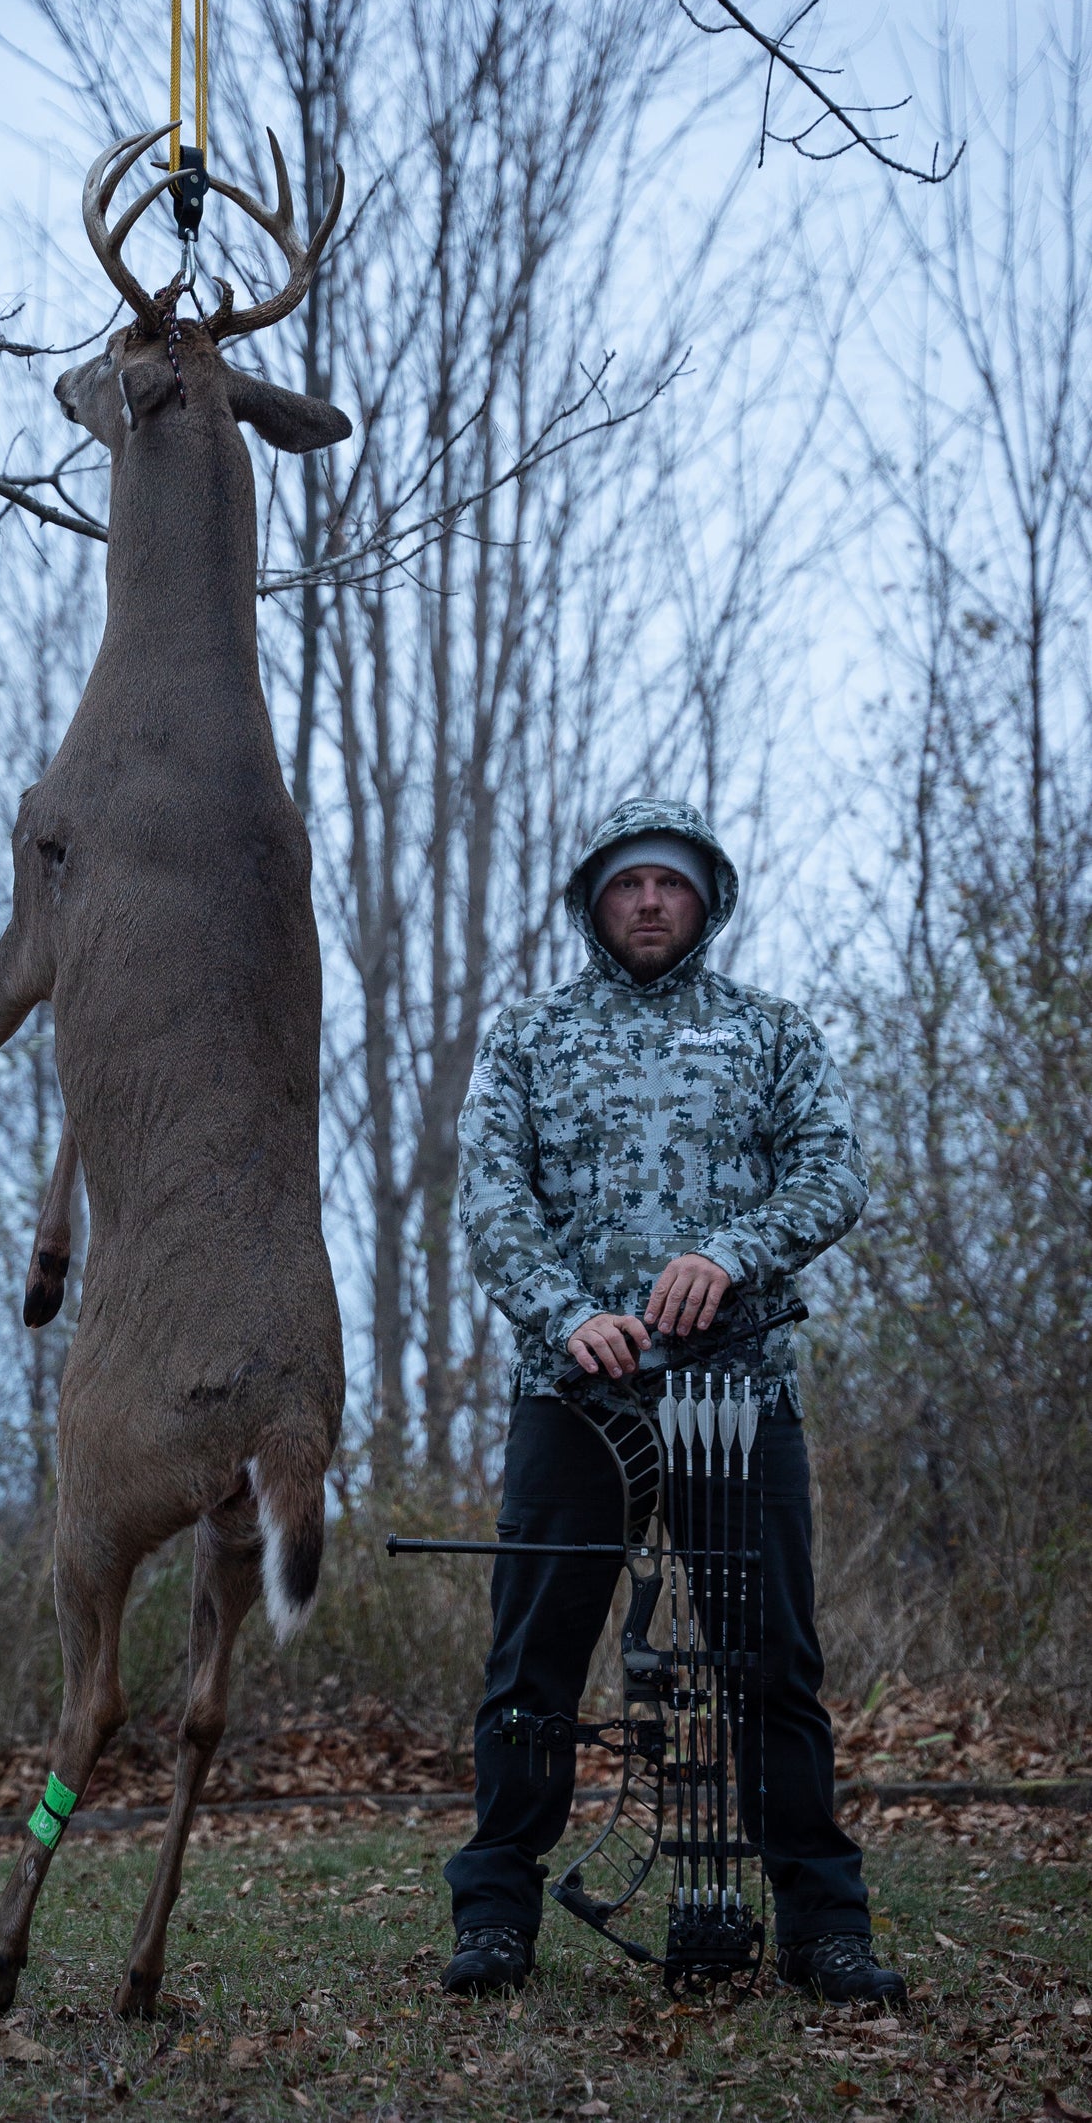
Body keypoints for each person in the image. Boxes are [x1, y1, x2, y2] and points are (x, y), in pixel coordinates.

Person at [441, 797, 906, 2008]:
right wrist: (567, 1316)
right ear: (594, 901)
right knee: (530, 1669)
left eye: (670, 884)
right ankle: (494, 1917)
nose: (648, 902)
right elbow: (490, 1200)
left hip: (734, 1396)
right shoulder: (530, 1037)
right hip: (572, 1399)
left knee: (772, 1665)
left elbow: (834, 1170)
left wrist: (733, 1252)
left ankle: (822, 1929)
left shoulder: (768, 1033)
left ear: (704, 899)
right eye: (625, 884)